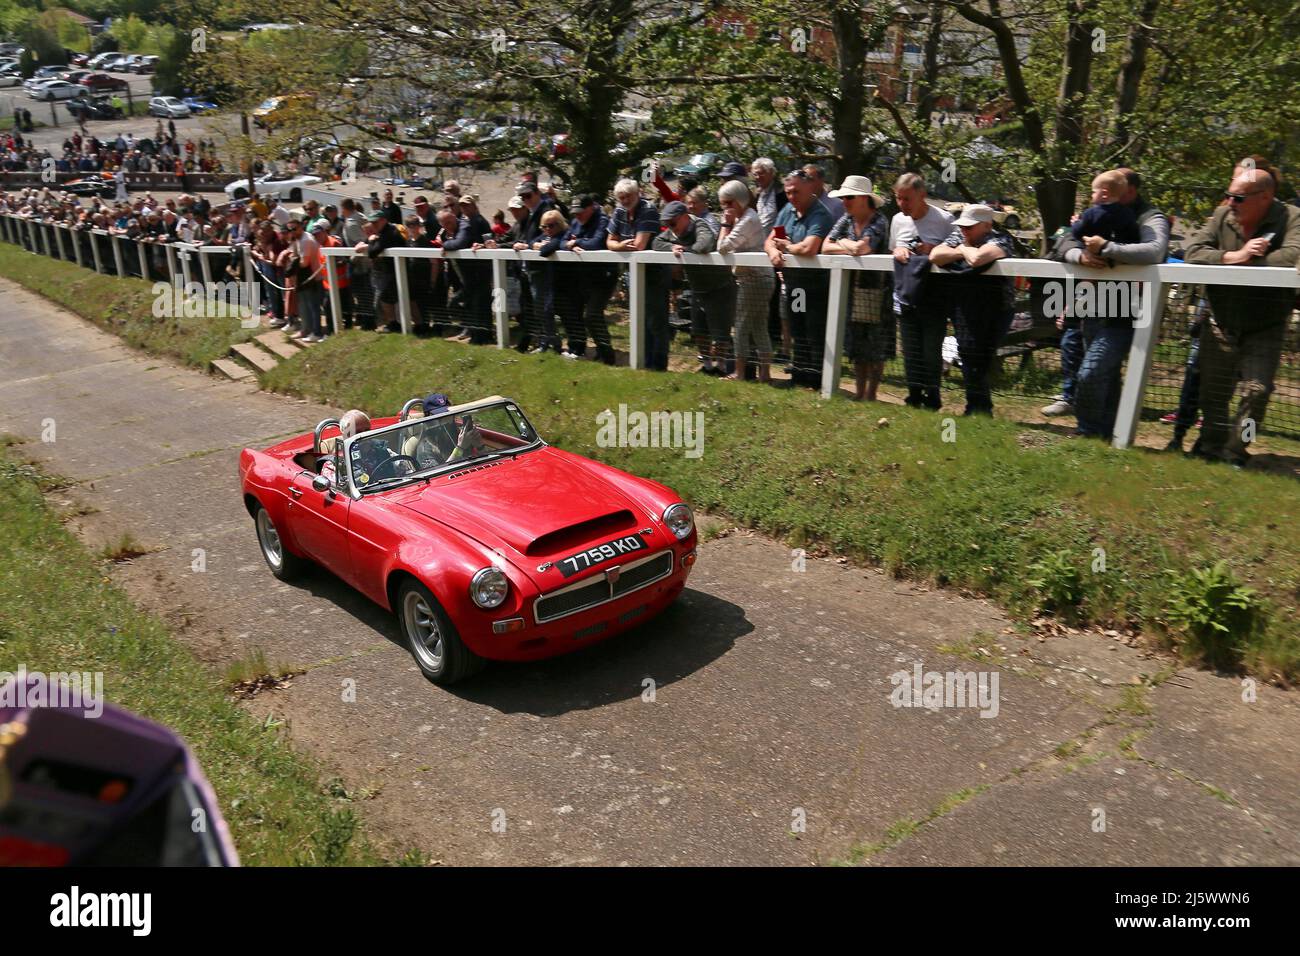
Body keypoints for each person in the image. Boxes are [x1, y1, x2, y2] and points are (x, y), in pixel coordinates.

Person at [1183, 164, 1300, 464]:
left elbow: (1291, 256)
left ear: (1265, 197)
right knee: (1213, 395)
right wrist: (1235, 256)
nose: (1230, 203)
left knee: (1258, 392)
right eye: (1229, 196)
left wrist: (1250, 263)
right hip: (1220, 319)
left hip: (1266, 324)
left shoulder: (1291, 217)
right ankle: (1210, 446)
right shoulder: (1222, 215)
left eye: (1238, 198)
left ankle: (1238, 448)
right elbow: (1193, 251)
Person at [1055, 168, 1171, 440]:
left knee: (1091, 371)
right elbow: (1062, 239)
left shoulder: (1149, 217)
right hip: (1093, 305)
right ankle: (1107, 434)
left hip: (1130, 311)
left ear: (1130, 190)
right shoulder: (1098, 211)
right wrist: (1079, 257)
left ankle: (1088, 431)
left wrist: (1106, 248)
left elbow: (1155, 250)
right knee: (1105, 375)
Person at [929, 204, 1016, 415]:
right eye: (962, 227)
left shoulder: (1001, 238)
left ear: (987, 225)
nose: (963, 231)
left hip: (996, 309)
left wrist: (961, 250)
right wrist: (963, 250)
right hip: (965, 305)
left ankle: (981, 407)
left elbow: (978, 259)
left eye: (969, 227)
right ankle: (976, 407)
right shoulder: (959, 237)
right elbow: (935, 255)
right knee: (967, 353)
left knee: (981, 356)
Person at [822, 176, 892, 400]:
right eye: (843, 197)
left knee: (876, 347)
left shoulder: (879, 221)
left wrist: (842, 243)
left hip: (878, 294)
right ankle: (859, 392)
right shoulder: (845, 219)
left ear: (864, 198)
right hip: (852, 292)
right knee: (856, 346)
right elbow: (825, 246)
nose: (844, 202)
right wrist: (848, 245)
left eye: (849, 197)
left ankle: (871, 393)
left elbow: (863, 248)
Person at [890, 172, 955, 410]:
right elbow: (892, 251)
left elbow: (956, 254)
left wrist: (933, 249)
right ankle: (914, 394)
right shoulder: (897, 220)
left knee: (931, 348)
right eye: (898, 198)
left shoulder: (945, 220)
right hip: (907, 293)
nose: (902, 204)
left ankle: (933, 395)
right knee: (910, 347)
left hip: (935, 295)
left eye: (907, 199)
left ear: (922, 195)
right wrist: (898, 252)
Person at [766, 169, 835, 387]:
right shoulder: (786, 211)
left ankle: (817, 380)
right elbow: (770, 239)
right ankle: (799, 375)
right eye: (788, 193)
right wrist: (774, 253)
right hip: (795, 286)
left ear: (809, 189)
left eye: (796, 192)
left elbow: (810, 247)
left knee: (815, 331)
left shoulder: (820, 214)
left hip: (817, 287)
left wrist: (786, 246)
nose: (791, 197)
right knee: (798, 329)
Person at [656, 200, 734, 375]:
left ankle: (721, 367)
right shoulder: (673, 232)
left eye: (673, 223)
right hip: (697, 288)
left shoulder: (700, 225)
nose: (670, 227)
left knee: (721, 331)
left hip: (719, 286)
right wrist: (672, 247)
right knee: (699, 330)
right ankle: (707, 366)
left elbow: (705, 244)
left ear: (684, 217)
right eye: (667, 224)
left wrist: (684, 249)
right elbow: (657, 243)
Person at [716, 178, 773, 383]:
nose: (726, 208)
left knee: (740, 326)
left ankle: (739, 374)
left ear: (740, 200)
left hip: (754, 280)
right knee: (758, 326)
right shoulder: (746, 217)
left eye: (729, 203)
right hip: (760, 279)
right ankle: (764, 375)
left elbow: (722, 247)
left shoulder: (748, 218)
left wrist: (725, 224)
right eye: (723, 204)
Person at [556, 194, 617, 364]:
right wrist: (572, 244)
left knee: (592, 315)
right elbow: (562, 242)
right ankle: (599, 351)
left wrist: (577, 242)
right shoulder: (576, 222)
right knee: (580, 314)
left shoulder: (603, 220)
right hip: (583, 277)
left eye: (581, 212)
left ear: (591, 207)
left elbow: (597, 243)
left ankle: (607, 354)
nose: (577, 215)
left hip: (603, 277)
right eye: (575, 212)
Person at [356, 209, 405, 332]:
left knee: (388, 299)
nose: (373, 225)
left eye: (375, 222)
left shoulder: (389, 232)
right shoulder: (381, 232)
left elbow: (372, 253)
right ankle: (393, 324)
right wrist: (370, 242)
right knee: (385, 298)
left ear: (384, 220)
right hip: (390, 272)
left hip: (397, 272)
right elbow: (359, 247)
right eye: (371, 223)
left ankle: (396, 324)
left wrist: (372, 241)